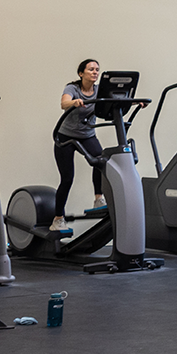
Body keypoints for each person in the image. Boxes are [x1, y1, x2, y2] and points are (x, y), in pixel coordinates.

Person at [51, 59, 107, 232]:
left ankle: (98, 198)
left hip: (87, 136)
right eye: (91, 69)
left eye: (97, 69)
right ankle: (58, 218)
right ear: (81, 73)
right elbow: (64, 103)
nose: (95, 72)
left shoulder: (99, 90)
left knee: (101, 161)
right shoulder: (72, 88)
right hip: (65, 137)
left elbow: (116, 100)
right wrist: (74, 102)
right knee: (67, 179)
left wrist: (136, 103)